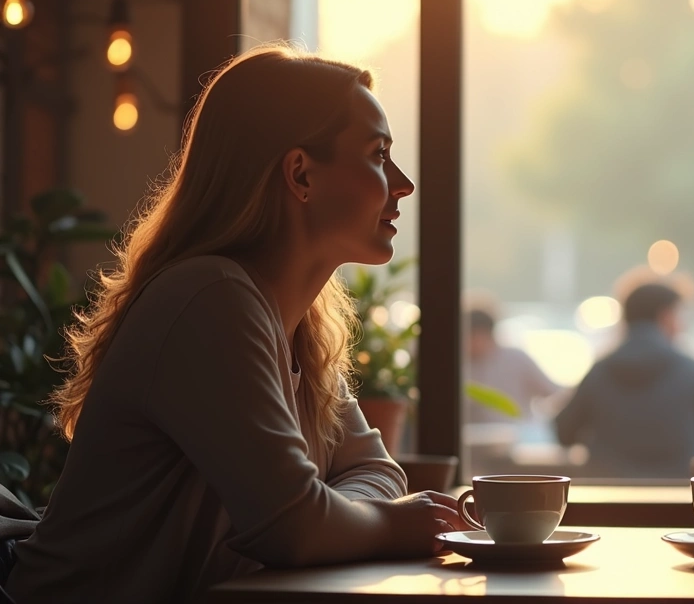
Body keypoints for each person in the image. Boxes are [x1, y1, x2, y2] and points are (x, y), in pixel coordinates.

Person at [5, 46, 466, 602]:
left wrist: (335, 518)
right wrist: (395, 524)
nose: (403, 183)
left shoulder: (295, 323)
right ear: (300, 173)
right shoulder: (211, 300)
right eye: (378, 154)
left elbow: (377, 472)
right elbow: (293, 527)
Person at [555, 282, 694, 479]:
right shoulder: (692, 371)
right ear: (665, 316)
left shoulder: (599, 371)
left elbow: (564, 433)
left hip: (607, 501)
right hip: (676, 501)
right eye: (679, 315)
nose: (682, 325)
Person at [464, 306, 561, 423]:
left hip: (518, 433)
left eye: (475, 336)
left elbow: (553, 392)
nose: (471, 343)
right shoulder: (460, 364)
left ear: (488, 334)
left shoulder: (516, 358)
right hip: (473, 437)